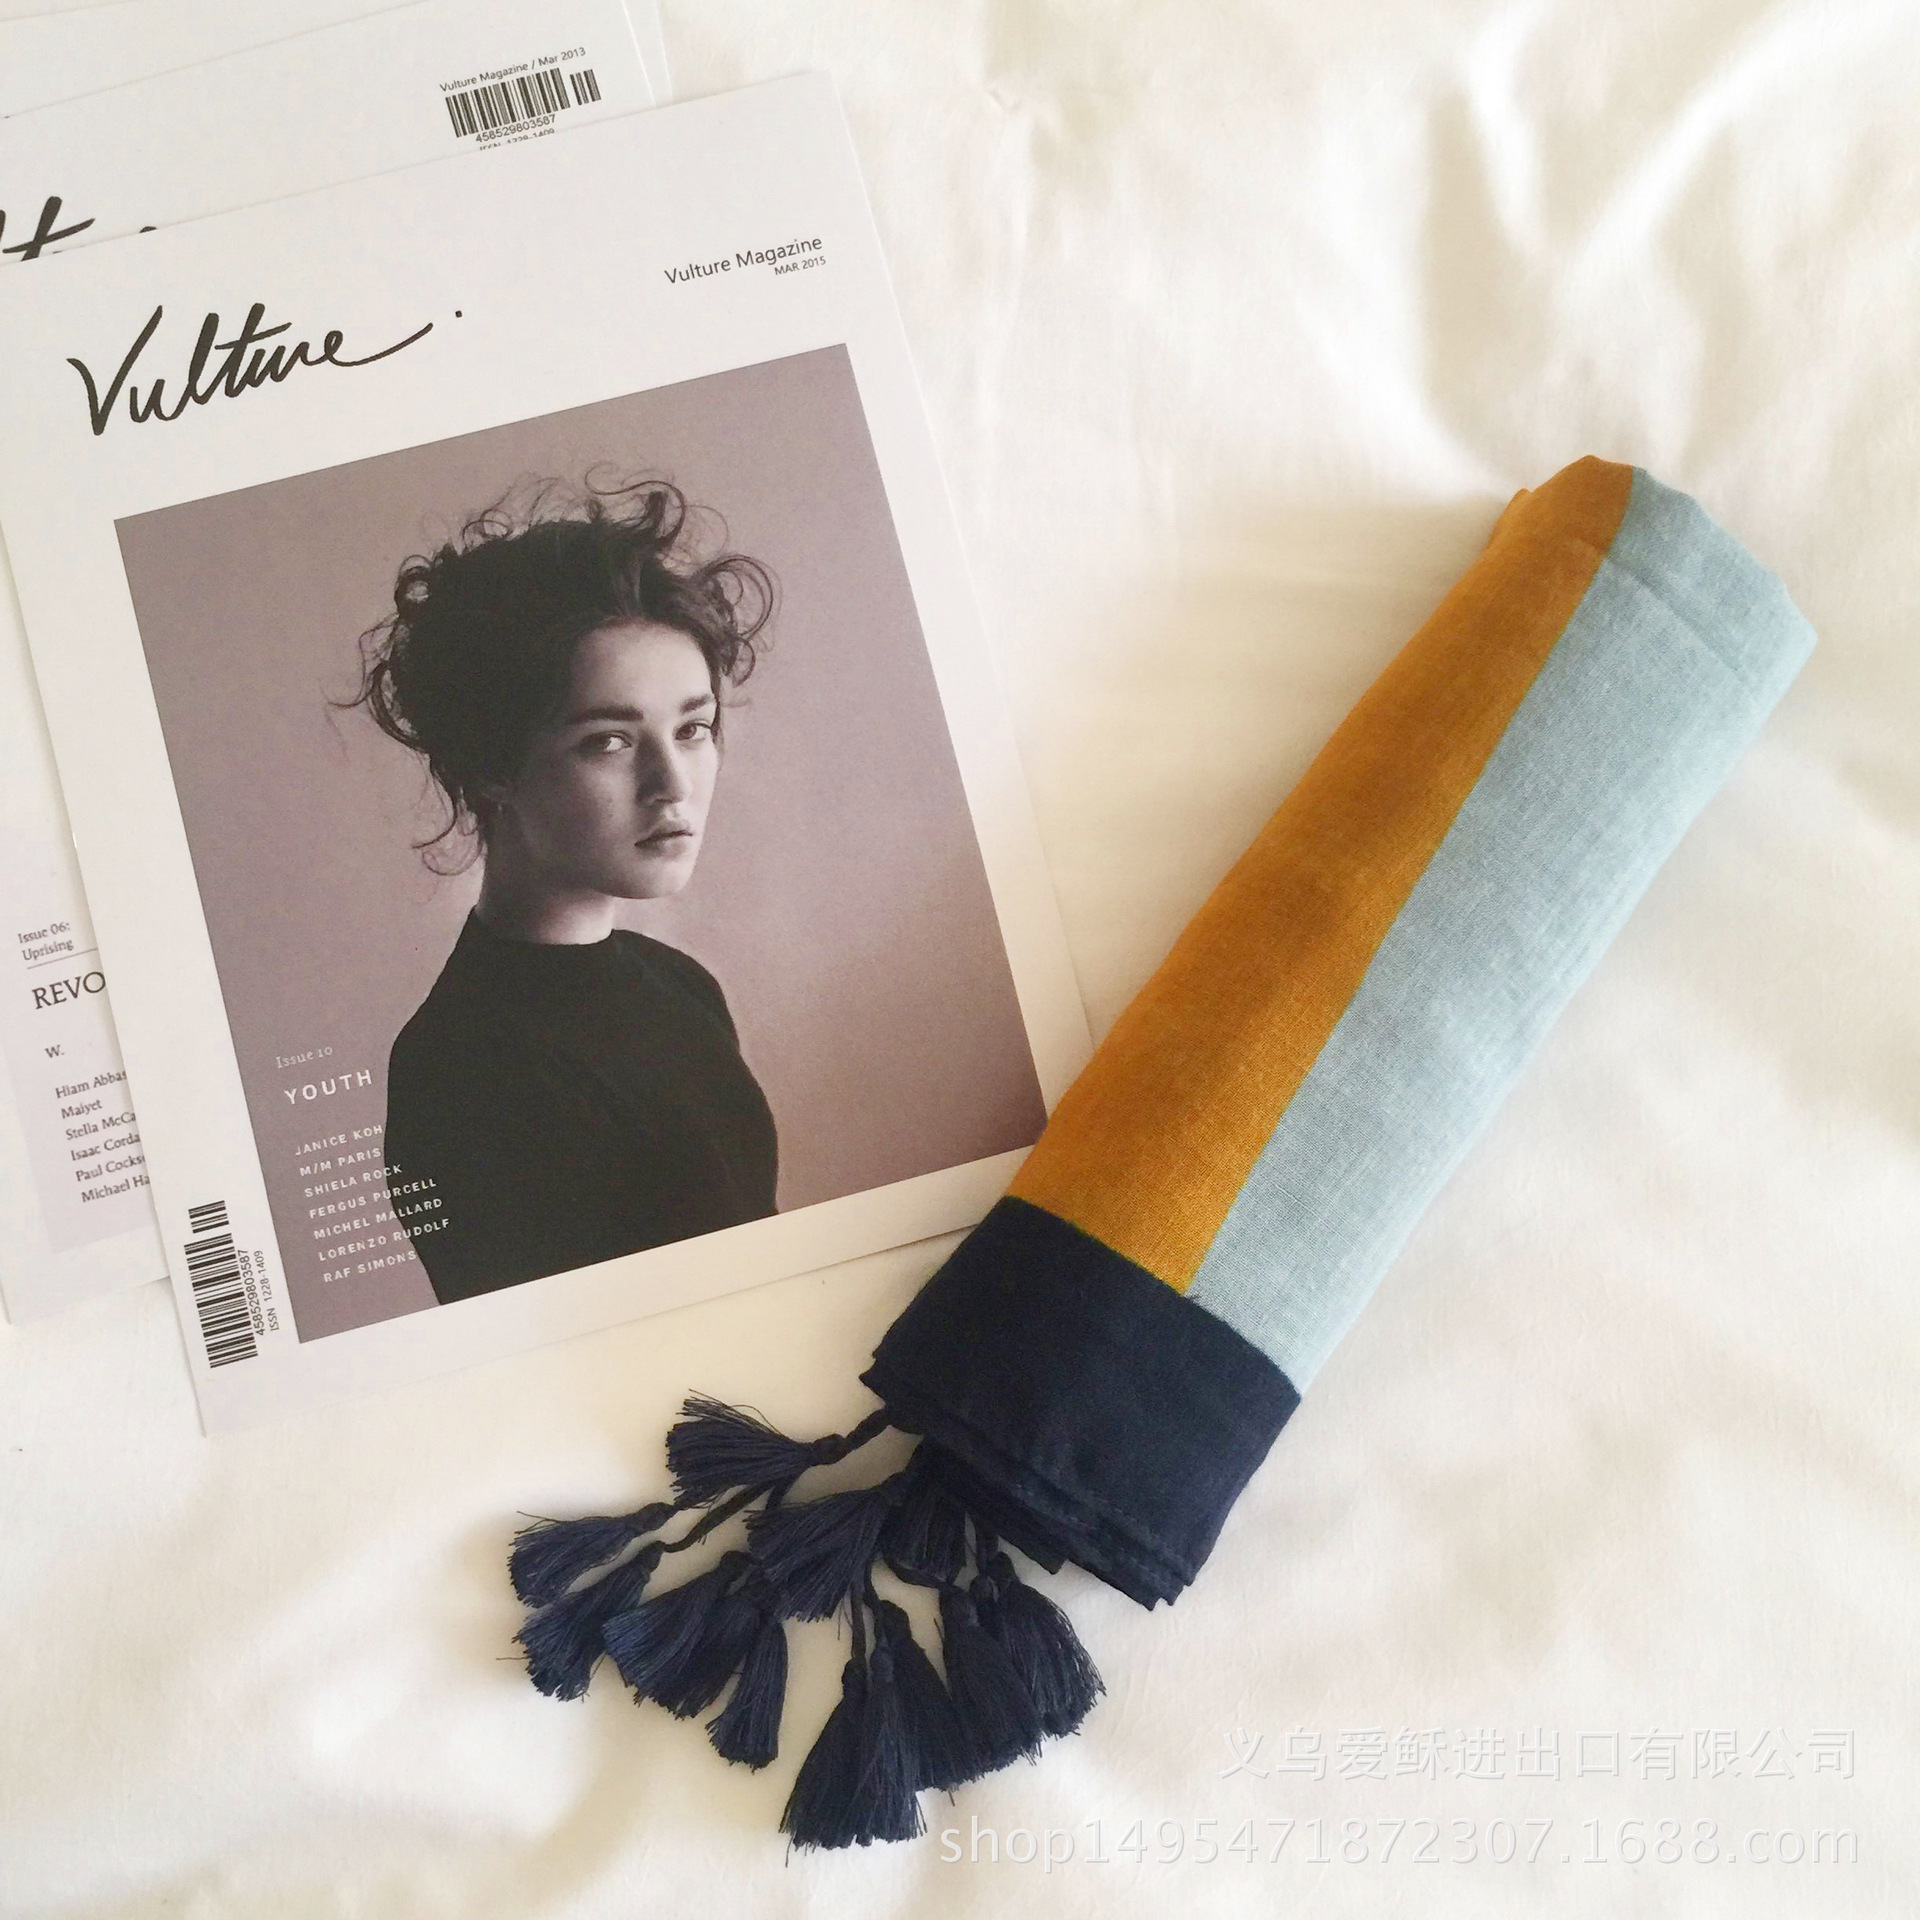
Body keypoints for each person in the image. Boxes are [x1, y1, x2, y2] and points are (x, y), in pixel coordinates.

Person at [347, 477, 779, 1303]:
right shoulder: (467, 1070)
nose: (673, 783)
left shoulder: (678, 984)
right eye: (608, 741)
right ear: (491, 765)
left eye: (692, 729)